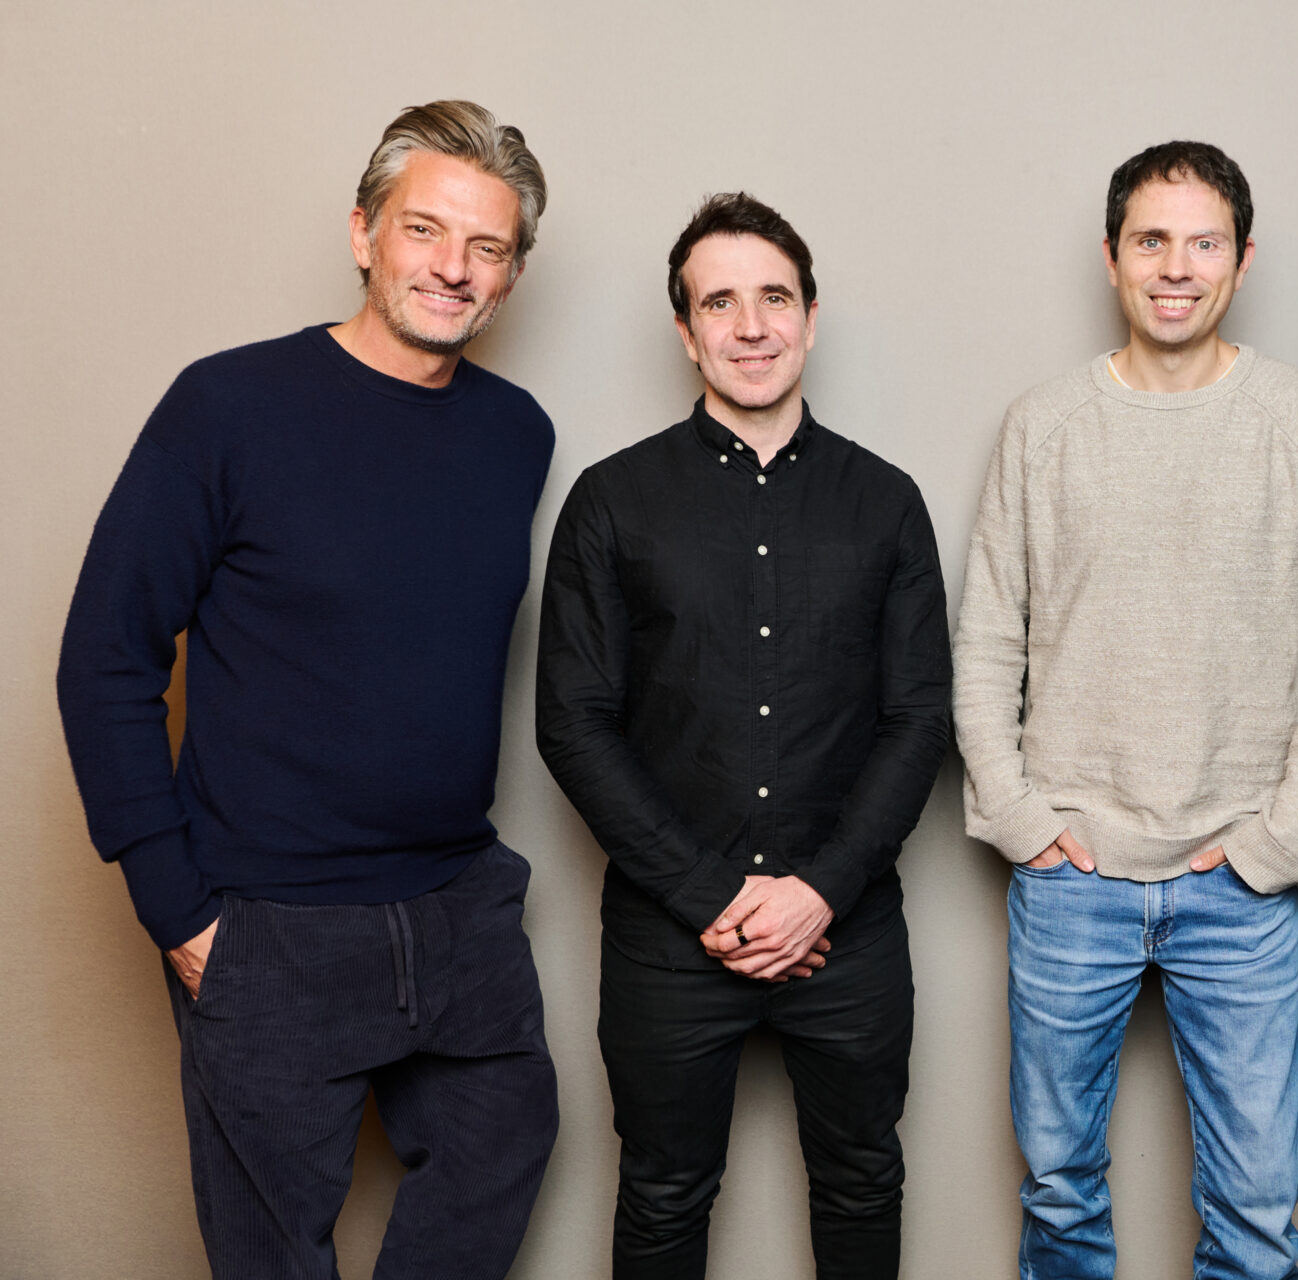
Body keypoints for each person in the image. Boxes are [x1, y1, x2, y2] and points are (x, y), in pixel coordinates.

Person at [55, 100, 559, 1279]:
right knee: (271, 1254)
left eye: (486, 246)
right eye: (424, 229)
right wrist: (179, 913)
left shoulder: (516, 434)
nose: (453, 266)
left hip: (459, 907)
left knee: (506, 1140)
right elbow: (104, 658)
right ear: (363, 232)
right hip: (269, 924)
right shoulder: (227, 408)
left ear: (513, 274)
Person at [952, 140, 1298, 1280]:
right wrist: (1023, 820)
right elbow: (987, 639)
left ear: (1243, 259)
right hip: (1071, 880)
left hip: (1239, 880)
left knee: (1255, 1207)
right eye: (1152, 241)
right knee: (1058, 1188)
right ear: (1111, 257)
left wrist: (1277, 840)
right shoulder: (1043, 424)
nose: (1177, 267)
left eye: (1204, 243)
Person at [535, 191, 950, 1280]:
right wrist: (714, 895)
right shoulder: (610, 503)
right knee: (663, 1193)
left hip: (847, 932)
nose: (751, 325)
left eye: (774, 297)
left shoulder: (887, 503)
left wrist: (820, 890)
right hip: (669, 937)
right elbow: (573, 724)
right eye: (719, 302)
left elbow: (918, 717)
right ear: (686, 330)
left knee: (862, 1178)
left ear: (811, 316)